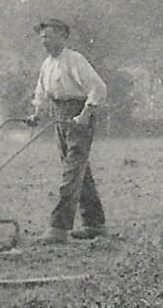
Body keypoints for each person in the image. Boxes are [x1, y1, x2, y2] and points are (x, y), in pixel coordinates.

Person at [25, 19, 107, 243]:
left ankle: (58, 228)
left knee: (72, 172)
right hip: (59, 114)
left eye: (49, 36)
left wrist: (84, 115)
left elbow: (98, 87)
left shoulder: (74, 60)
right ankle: (95, 223)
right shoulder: (47, 64)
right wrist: (37, 114)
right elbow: (42, 92)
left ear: (62, 36)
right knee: (79, 171)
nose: (44, 41)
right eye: (42, 37)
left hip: (79, 115)